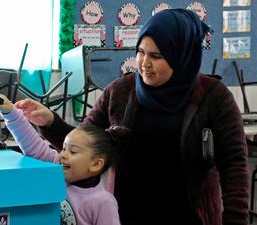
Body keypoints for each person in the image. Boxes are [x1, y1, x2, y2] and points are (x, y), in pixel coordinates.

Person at [14, 8, 249, 225]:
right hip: (127, 214)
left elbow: (234, 166)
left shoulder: (213, 96)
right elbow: (85, 144)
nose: (144, 63)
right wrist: (50, 122)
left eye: (156, 56)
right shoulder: (120, 91)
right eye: (140, 52)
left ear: (181, 56)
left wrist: (235, 221)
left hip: (191, 216)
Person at [0, 93, 128, 225]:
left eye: (73, 151)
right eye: (63, 148)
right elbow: (33, 145)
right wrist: (11, 112)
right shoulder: (58, 167)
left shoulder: (103, 202)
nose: (62, 155)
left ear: (96, 164)